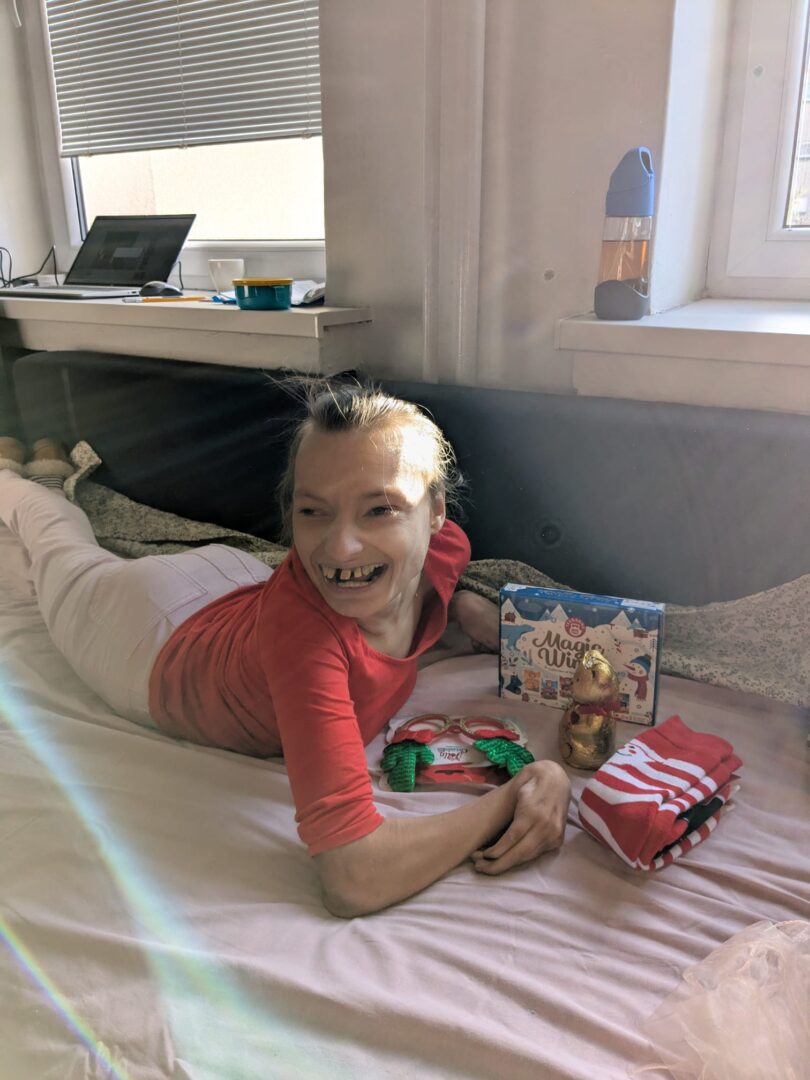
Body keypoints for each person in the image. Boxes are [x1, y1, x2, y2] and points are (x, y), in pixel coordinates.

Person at [0, 383, 570, 917]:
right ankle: (24, 482)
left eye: (380, 509)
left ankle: (40, 467)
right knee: (56, 540)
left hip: (234, 585)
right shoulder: (307, 636)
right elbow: (354, 877)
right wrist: (517, 793)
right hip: (145, 638)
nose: (340, 548)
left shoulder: (446, 551)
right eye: (312, 511)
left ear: (436, 512)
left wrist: (464, 606)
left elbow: (431, 578)